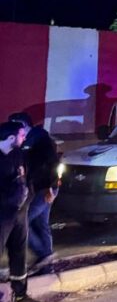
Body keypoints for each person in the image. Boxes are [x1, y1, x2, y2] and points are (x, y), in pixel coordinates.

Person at [0, 121, 45, 302]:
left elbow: (26, 178)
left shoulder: (19, 154)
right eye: (21, 135)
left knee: (19, 252)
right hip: (2, 215)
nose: (24, 137)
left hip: (19, 214)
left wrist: (26, 201)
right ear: (11, 137)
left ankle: (20, 295)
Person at [9, 112, 60, 271]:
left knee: (21, 222)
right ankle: (47, 267)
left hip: (43, 189)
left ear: (24, 125)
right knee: (41, 224)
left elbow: (52, 163)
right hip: (39, 188)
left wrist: (50, 188)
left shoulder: (40, 138)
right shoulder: (28, 139)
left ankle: (43, 255)